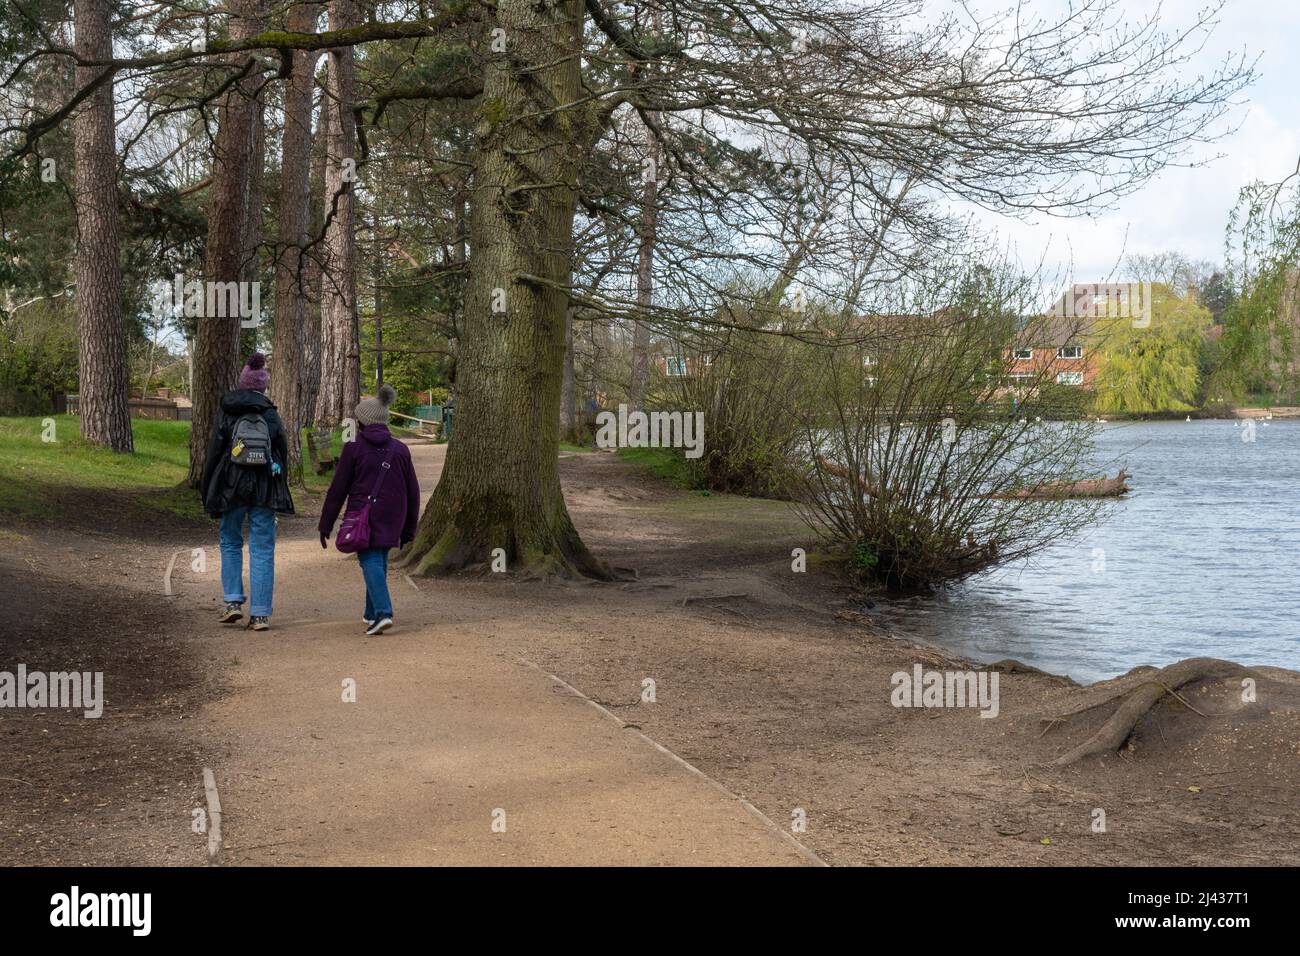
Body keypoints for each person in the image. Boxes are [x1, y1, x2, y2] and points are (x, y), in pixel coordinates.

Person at [200, 353, 295, 631]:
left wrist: (209, 490)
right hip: (264, 487)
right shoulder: (270, 413)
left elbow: (214, 453)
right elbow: (282, 453)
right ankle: (261, 614)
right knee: (262, 548)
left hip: (230, 485)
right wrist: (281, 487)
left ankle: (232, 601)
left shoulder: (227, 410)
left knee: (230, 541)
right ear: (263, 386)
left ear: (242, 384)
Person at [318, 385, 420, 636]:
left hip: (364, 513)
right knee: (380, 557)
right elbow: (413, 491)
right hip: (394, 514)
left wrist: (326, 523)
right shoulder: (400, 449)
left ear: (362, 422)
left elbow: (338, 489)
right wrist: (409, 528)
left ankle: (384, 613)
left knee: (370, 558)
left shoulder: (354, 447)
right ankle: (371, 612)